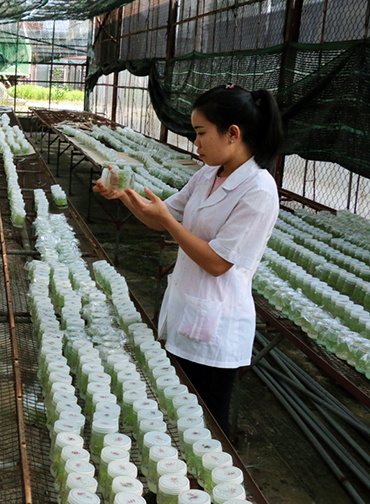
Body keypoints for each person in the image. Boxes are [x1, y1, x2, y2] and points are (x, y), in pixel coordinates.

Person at [94, 84, 283, 435]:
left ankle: (206, 487)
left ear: (233, 134)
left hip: (217, 324)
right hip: (186, 309)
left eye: (200, 133)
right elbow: (161, 215)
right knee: (177, 408)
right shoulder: (209, 174)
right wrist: (124, 195)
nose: (196, 143)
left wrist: (167, 220)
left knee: (208, 424)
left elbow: (217, 263)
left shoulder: (259, 190)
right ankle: (177, 485)